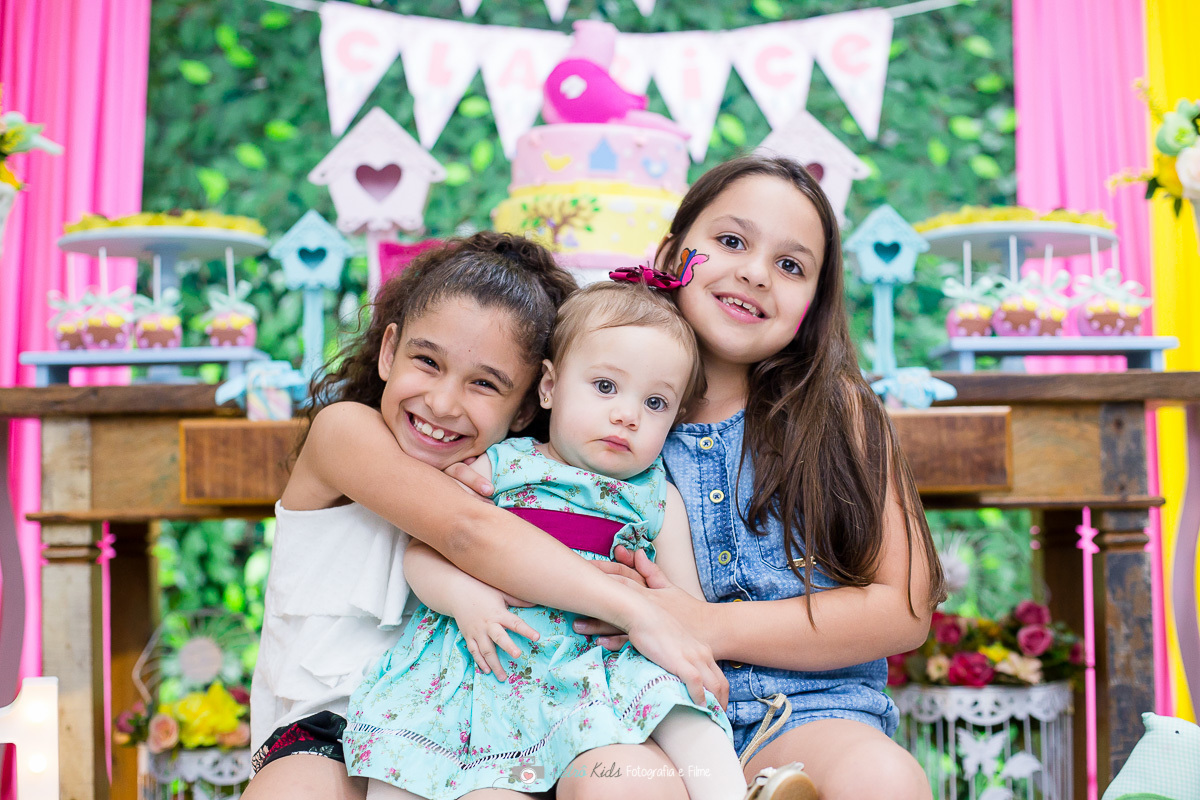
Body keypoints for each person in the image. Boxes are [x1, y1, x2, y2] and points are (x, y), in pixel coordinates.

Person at [243, 232, 723, 800]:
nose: (445, 404)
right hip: (330, 732)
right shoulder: (345, 431)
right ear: (390, 350)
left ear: (526, 406)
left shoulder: (522, 481)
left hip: (498, 727)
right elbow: (467, 532)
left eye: (483, 384)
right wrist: (636, 611)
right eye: (427, 361)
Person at [555, 155, 947, 799]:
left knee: (883, 779)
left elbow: (903, 610)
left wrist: (706, 624)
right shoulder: (594, 405)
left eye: (791, 266)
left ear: (813, 304)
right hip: (639, 713)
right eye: (731, 241)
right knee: (614, 787)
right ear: (672, 252)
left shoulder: (838, 411)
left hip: (808, 712)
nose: (756, 273)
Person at [341, 281, 815, 800]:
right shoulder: (500, 467)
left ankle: (729, 791)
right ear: (548, 387)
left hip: (601, 664)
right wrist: (464, 598)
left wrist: (663, 618)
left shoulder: (656, 497)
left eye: (655, 402)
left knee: (682, 701)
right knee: (428, 764)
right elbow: (425, 551)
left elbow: (685, 609)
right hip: (497, 662)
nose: (627, 414)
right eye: (606, 387)